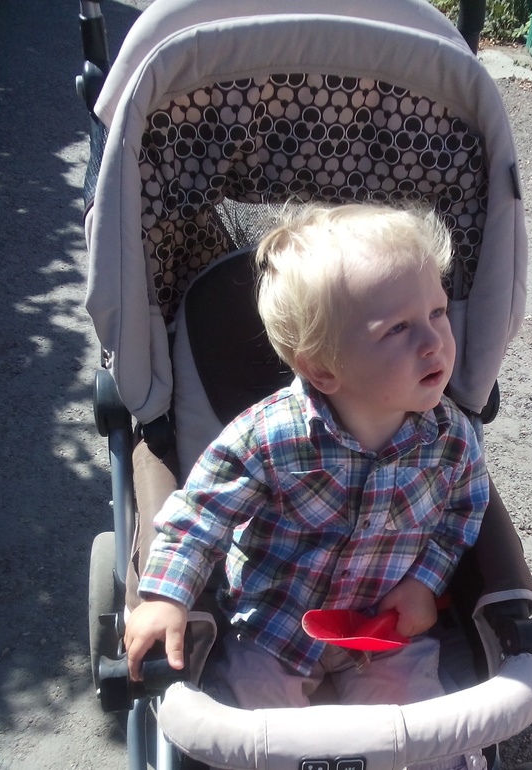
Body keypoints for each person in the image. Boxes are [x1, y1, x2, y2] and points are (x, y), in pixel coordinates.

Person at [124, 202, 489, 711]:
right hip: (274, 626)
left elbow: (461, 515)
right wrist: (166, 597)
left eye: (438, 312)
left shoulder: (450, 441)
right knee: (252, 724)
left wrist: (424, 582)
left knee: (423, 729)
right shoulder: (269, 437)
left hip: (383, 625)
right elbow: (199, 516)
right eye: (398, 329)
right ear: (322, 370)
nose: (434, 342)